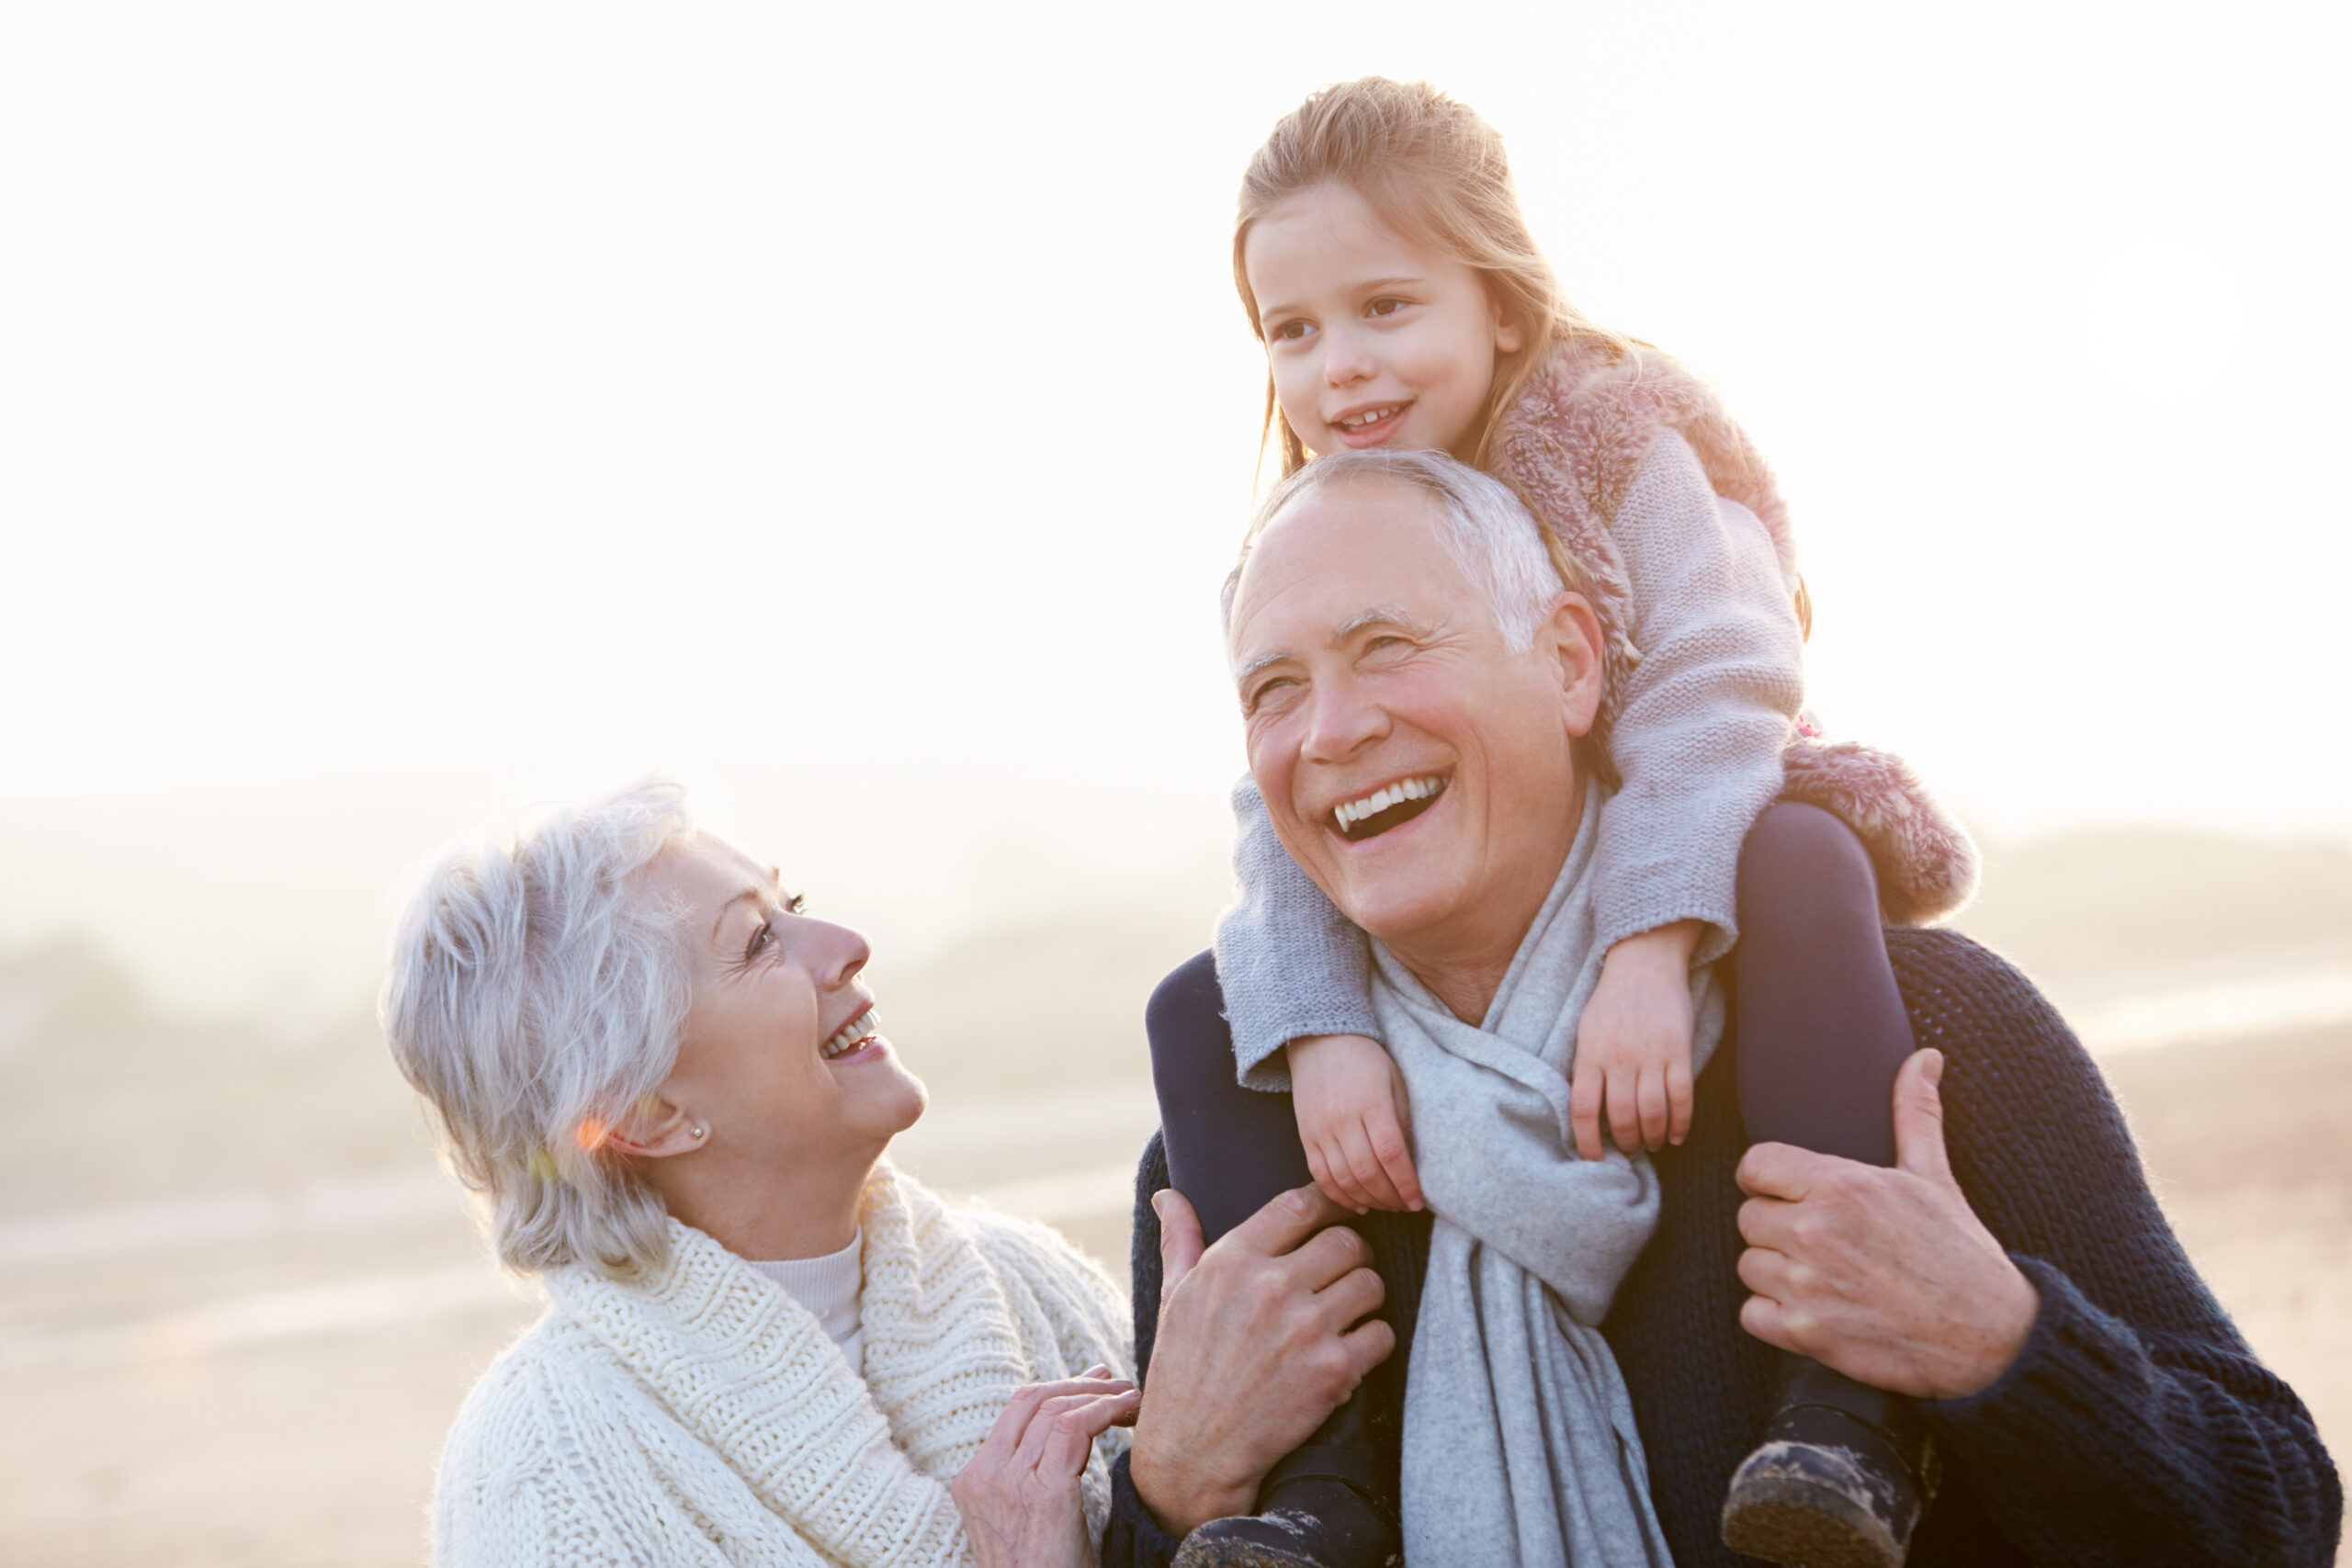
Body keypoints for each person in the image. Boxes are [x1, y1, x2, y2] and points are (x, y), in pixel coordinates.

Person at [1105, 454, 2342, 1567]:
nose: (1332, 728)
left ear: (1574, 661)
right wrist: (1164, 1493)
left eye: (1387, 647)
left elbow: (2277, 1513)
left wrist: (1999, 1344)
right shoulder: (1245, 1153)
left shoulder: (1915, 1027)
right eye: (1274, 685)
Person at [1151, 76, 1973, 1566]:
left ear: (1504, 307)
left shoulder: (1612, 433)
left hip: (1693, 815)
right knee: (1201, 1008)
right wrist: (1325, 1025)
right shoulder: (1301, 533)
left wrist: (1651, 945)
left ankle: (1852, 1408)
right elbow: (1281, 807)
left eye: (1386, 306)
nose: (1340, 367)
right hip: (1467, 919)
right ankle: (1316, 1490)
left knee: (1801, 854)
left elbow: (1722, 680)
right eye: (1292, 330)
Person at [382, 782, 1152, 1567]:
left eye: (796, 904)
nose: (846, 941)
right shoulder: (539, 1475)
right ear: (645, 1113)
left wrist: (1189, 1484)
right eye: (757, 941)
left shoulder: (1034, 1282)